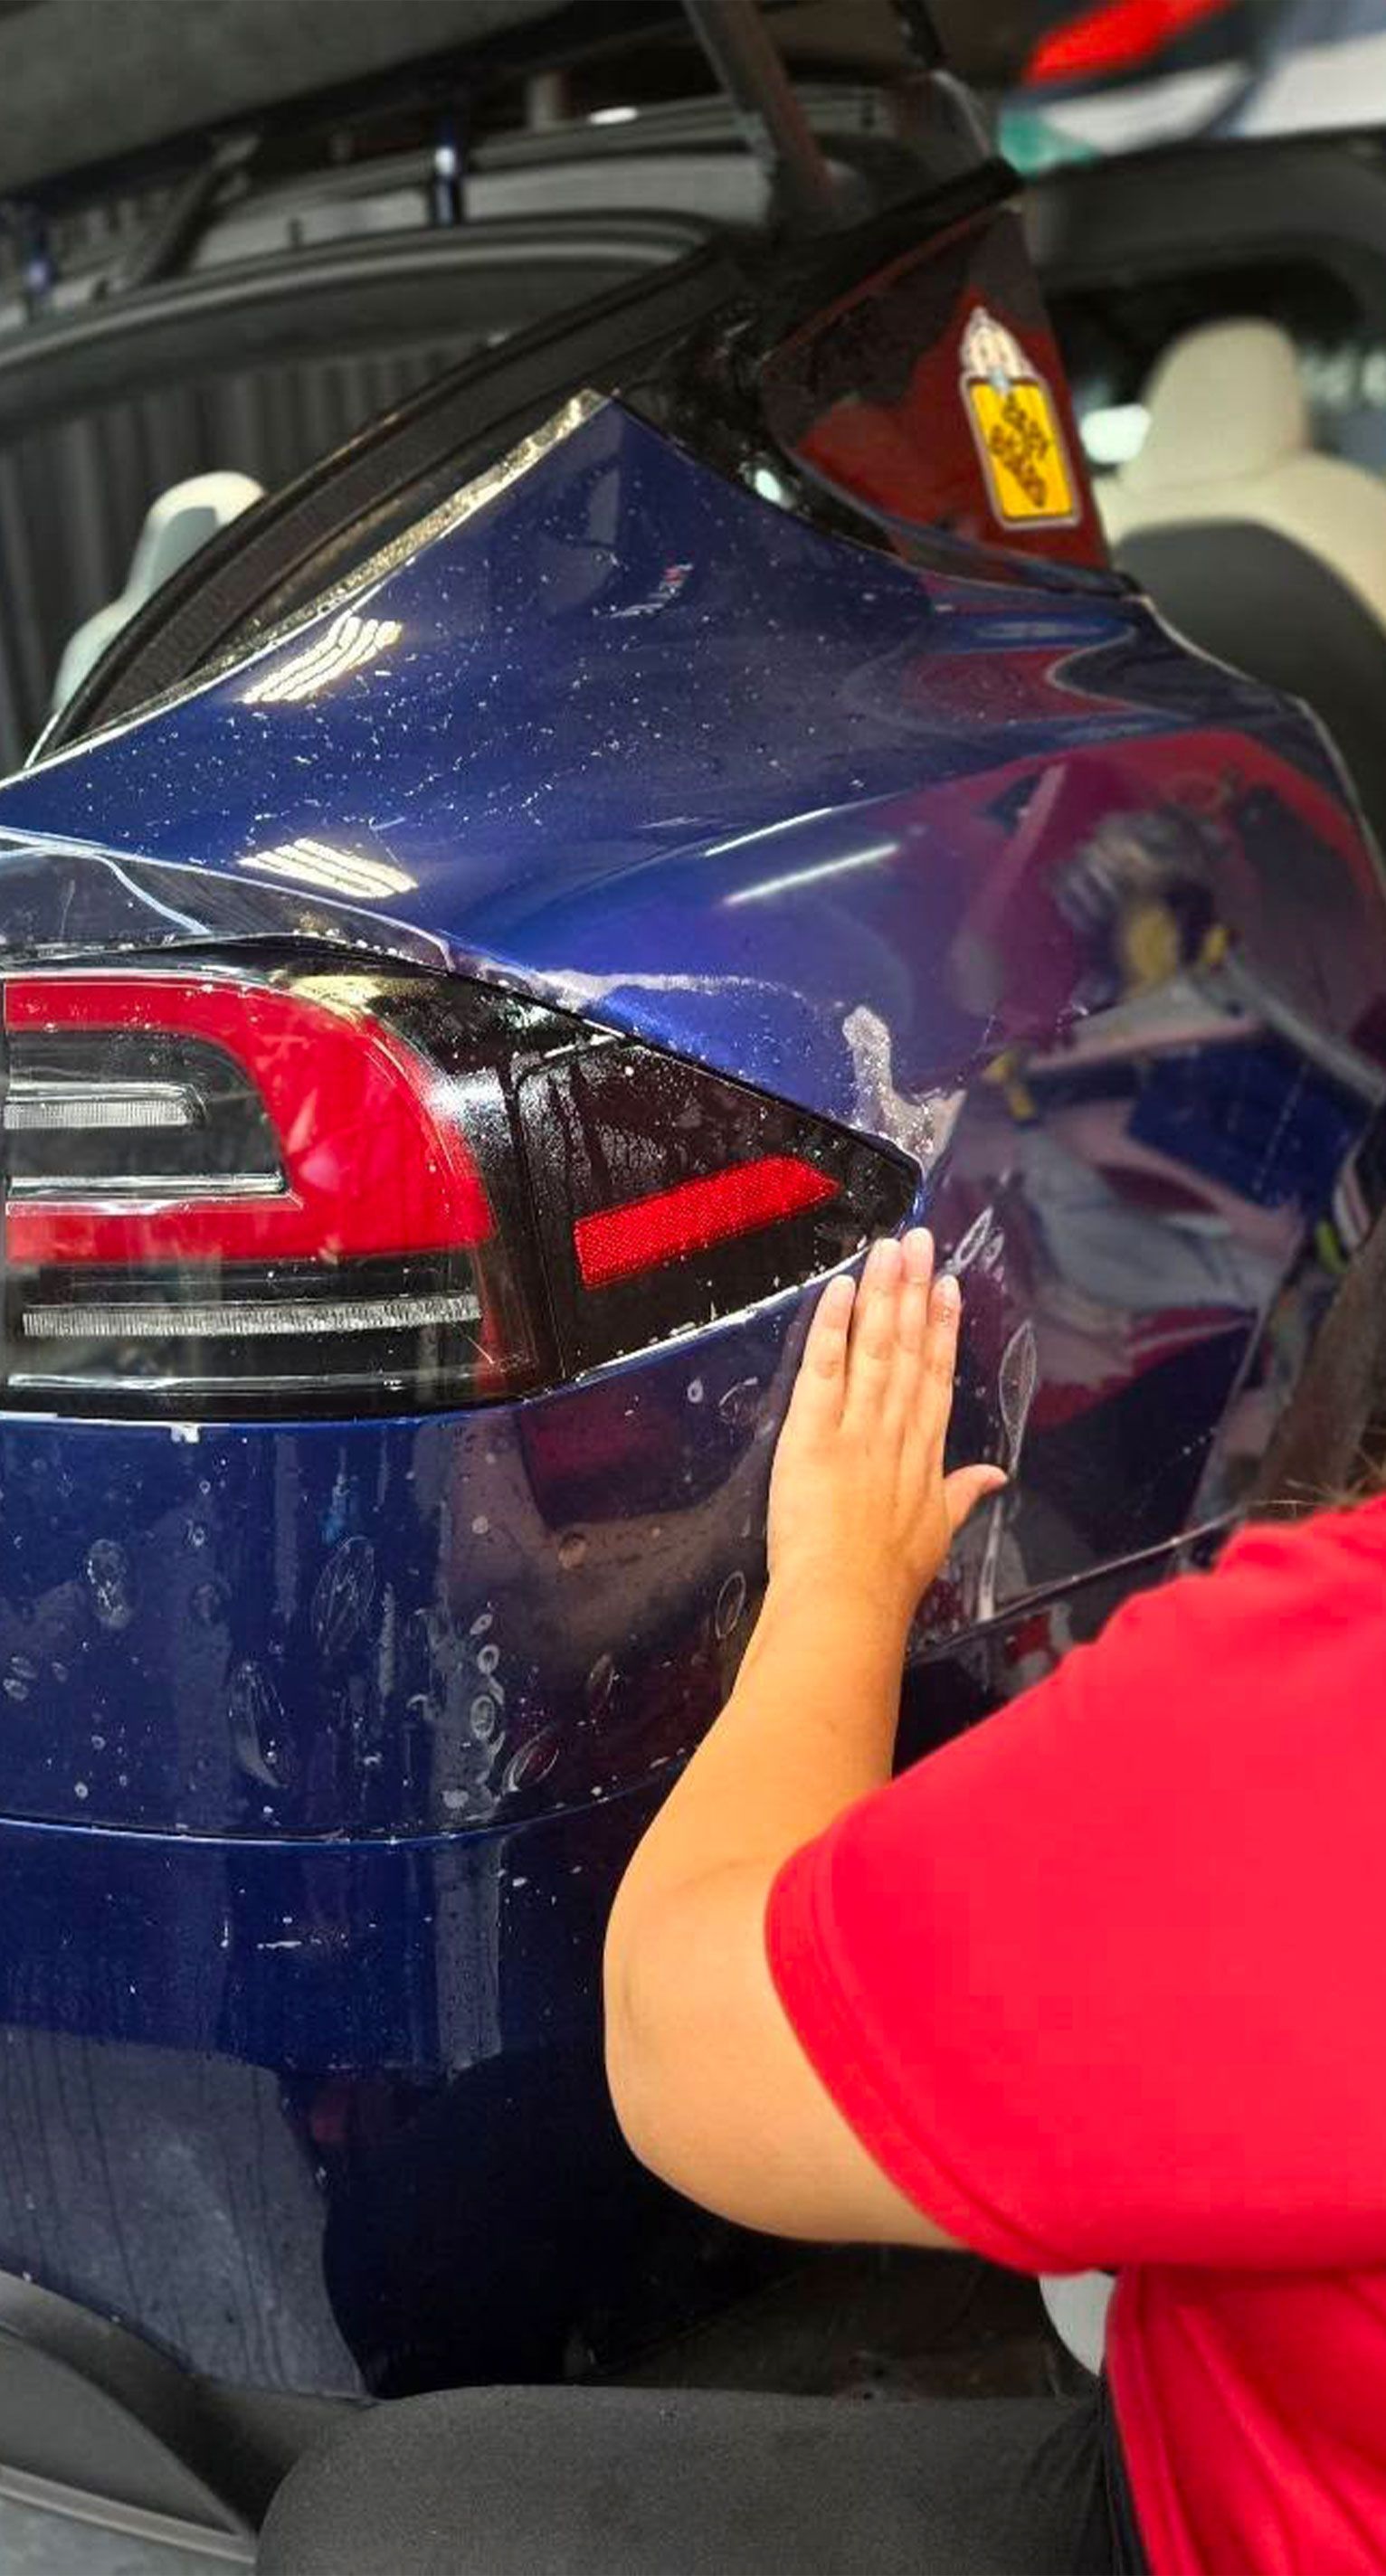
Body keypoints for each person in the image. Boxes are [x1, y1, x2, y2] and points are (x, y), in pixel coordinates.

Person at [261, 1228, 1386, 2573]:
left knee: (386, 2493)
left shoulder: (1325, 1735)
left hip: (1208, 2523)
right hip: (1265, 2461)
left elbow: (684, 2051)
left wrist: (834, 1572)